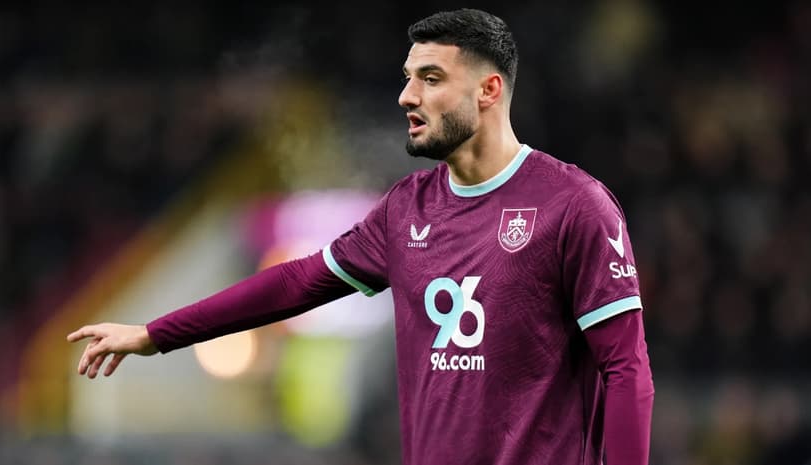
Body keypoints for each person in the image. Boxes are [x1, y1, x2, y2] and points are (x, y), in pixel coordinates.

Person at [68, 8, 654, 465]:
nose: (407, 97)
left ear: (489, 90)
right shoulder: (406, 209)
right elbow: (295, 283)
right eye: (407, 79)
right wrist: (156, 334)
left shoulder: (573, 205)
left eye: (430, 79)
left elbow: (625, 369)